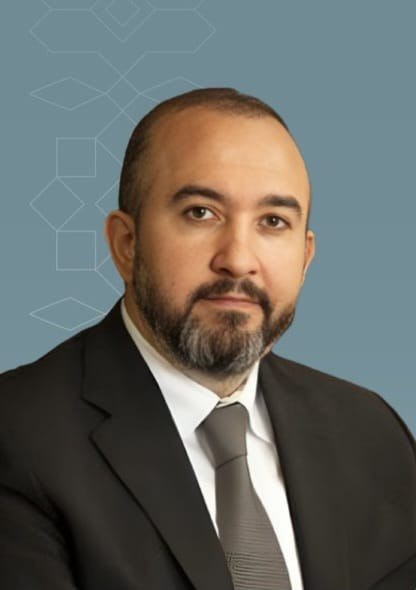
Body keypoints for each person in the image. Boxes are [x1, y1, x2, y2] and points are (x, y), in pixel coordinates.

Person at [0, 88, 415, 590]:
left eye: (273, 222)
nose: (238, 260)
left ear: (305, 258)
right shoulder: (18, 436)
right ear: (126, 244)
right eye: (201, 212)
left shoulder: (372, 433)